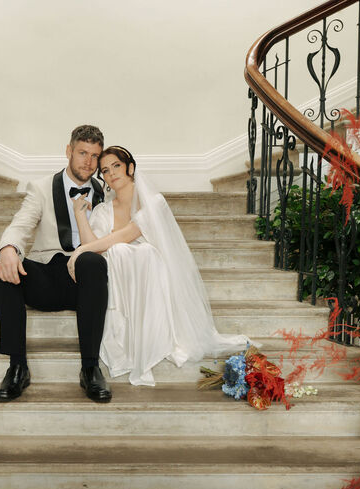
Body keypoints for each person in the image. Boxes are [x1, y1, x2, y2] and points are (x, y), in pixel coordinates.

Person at [67, 145, 248, 386]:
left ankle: (147, 336)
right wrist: (80, 216)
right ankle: (125, 336)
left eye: (116, 166)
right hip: (120, 280)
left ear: (130, 167)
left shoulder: (154, 202)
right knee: (116, 253)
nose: (111, 173)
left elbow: (127, 235)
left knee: (130, 250)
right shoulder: (102, 210)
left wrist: (79, 250)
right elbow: (95, 248)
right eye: (105, 170)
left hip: (150, 278)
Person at [0, 125, 112, 403]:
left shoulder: (106, 191)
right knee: (2, 262)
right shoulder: (42, 188)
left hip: (86, 281)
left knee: (91, 261)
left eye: (95, 156)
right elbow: (21, 224)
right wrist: (9, 248)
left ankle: (90, 368)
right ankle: (17, 367)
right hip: (48, 273)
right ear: (68, 151)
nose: (89, 162)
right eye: (82, 153)